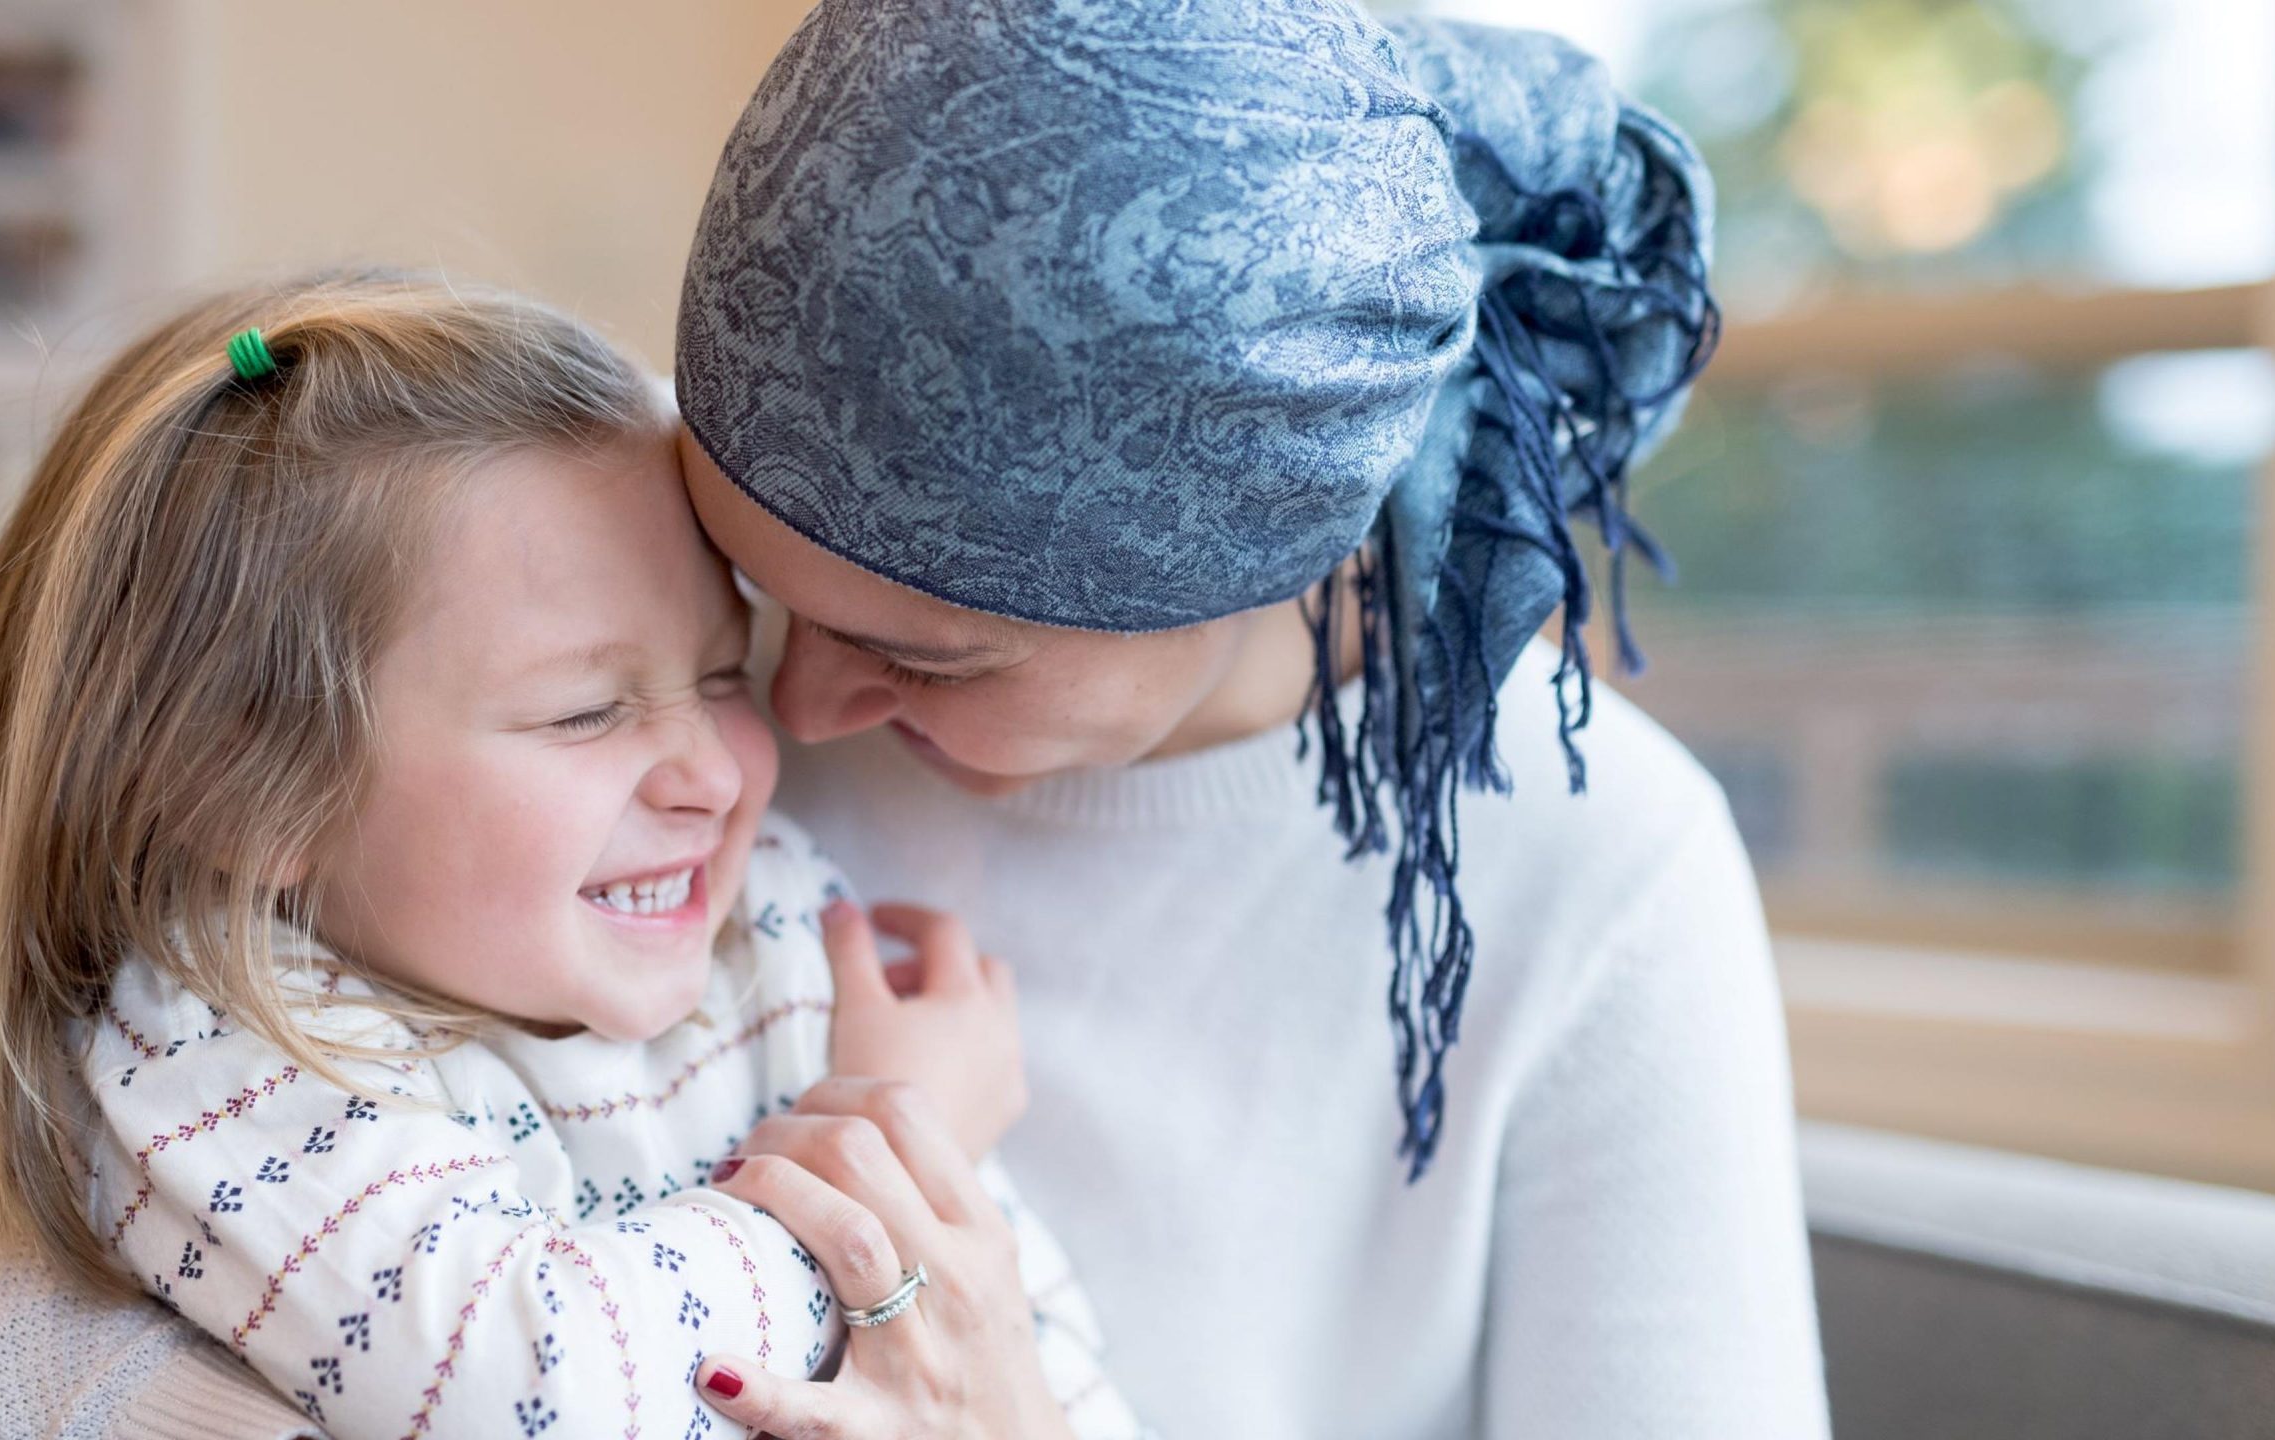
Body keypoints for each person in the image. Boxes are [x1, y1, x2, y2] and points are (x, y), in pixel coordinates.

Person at [667, 3, 1828, 1437]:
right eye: (755, 593)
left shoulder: (1601, 875)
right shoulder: (653, 708)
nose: (782, 713)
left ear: (1267, 541)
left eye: (931, 658)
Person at [0, 271, 1142, 1439]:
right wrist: (896, 1154)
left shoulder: (775, 927)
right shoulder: (222, 1053)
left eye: (721, 673)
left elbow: (1033, 1348)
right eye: (587, 712)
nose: (715, 773)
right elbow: (534, 1391)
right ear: (247, 799)